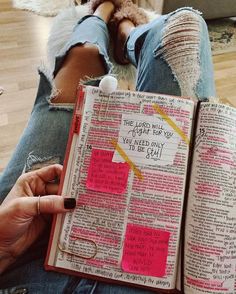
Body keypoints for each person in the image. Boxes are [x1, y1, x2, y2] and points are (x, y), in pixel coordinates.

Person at [0, 0, 216, 292]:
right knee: (184, 29)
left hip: (21, 246)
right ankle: (125, 26)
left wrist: (2, 249)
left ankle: (103, 13)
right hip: (167, 267)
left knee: (83, 57)